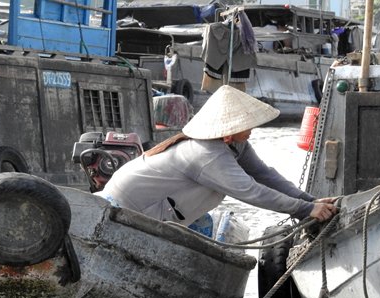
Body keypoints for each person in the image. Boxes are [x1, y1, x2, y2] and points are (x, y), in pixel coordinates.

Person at [96, 85, 338, 229]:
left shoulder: (235, 145)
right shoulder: (207, 154)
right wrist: (305, 209)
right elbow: (251, 191)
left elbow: (264, 175)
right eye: (247, 124)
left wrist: (310, 201)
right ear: (228, 130)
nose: (252, 128)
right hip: (127, 208)